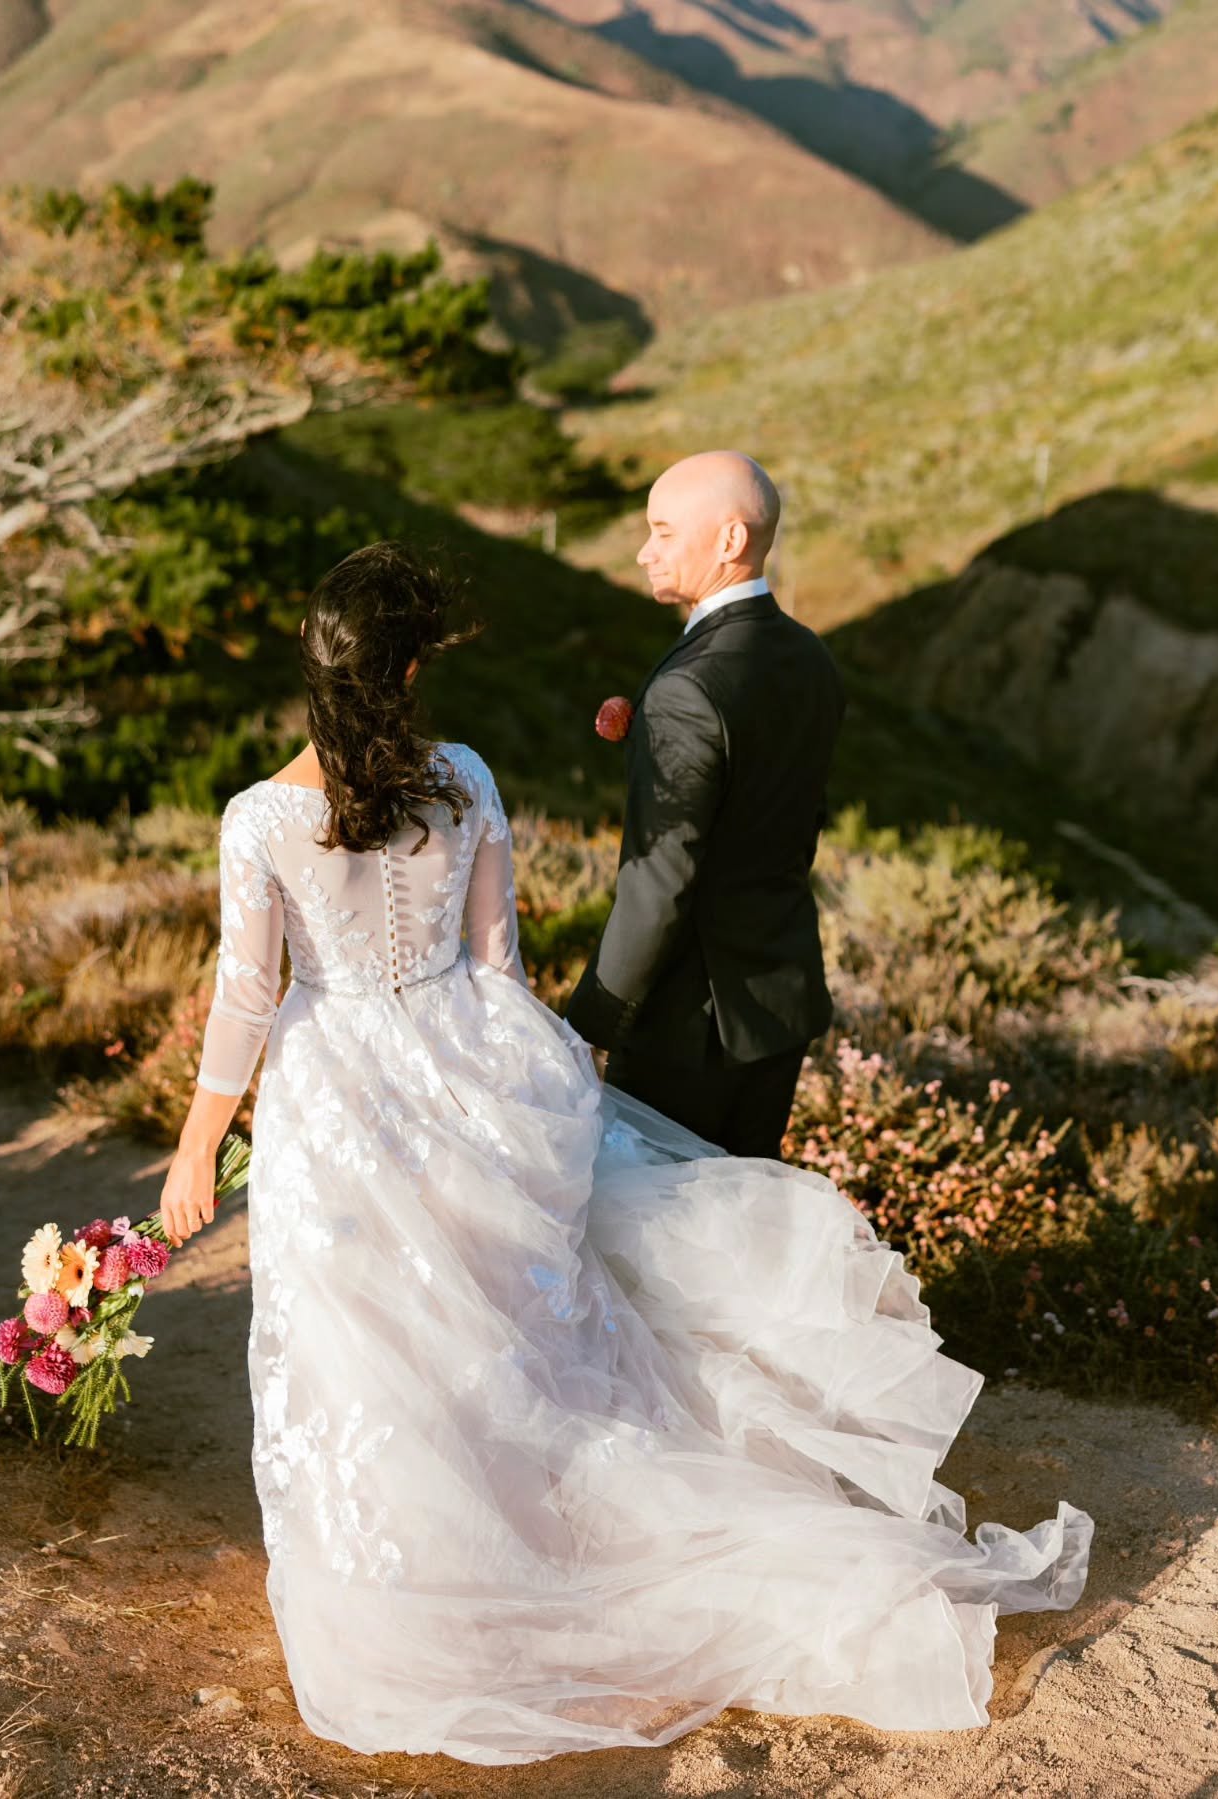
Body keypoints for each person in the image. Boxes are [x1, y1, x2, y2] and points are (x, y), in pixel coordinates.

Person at [159, 536, 1093, 1767]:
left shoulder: (259, 818)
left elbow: (245, 997)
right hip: (462, 1061)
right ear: (411, 664)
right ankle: (530, 1546)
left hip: (338, 1093)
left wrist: (193, 1149)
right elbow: (499, 970)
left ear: (315, 664)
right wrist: (539, 1087)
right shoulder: (468, 778)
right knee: (500, 1328)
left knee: (367, 1351)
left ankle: (419, 1597)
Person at [566, 450, 843, 1159]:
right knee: (741, 1231)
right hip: (780, 1001)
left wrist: (592, 1019)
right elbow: (787, 809)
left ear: (729, 540)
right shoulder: (811, 657)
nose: (643, 551)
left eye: (662, 532)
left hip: (689, 1025)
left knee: (650, 1238)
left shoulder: (690, 686)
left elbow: (661, 880)